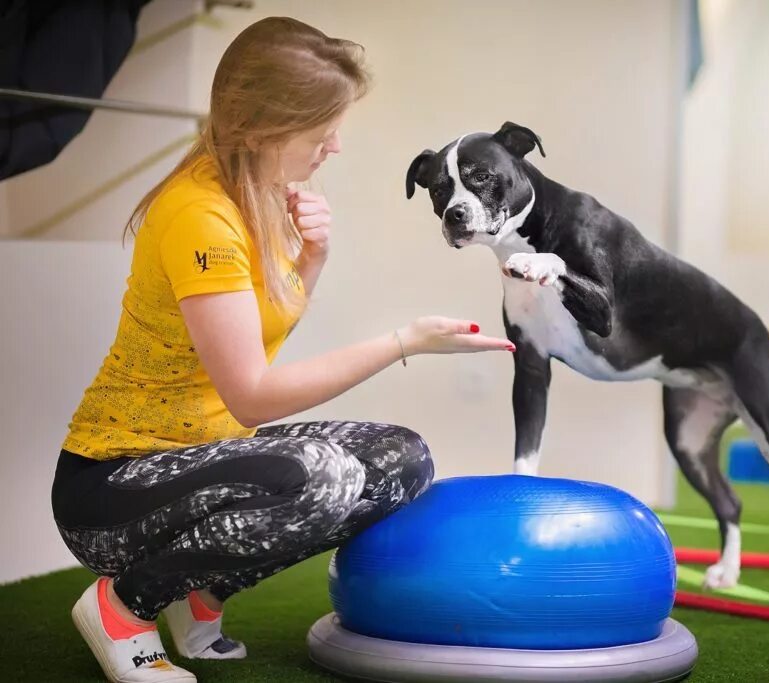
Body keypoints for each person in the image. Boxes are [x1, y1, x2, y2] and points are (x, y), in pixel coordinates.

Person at [51, 17, 514, 683]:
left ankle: (198, 596)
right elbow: (252, 393)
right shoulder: (199, 214)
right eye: (323, 127)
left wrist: (311, 259)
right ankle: (123, 607)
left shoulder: (258, 196)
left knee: (402, 459)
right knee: (320, 475)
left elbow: (255, 333)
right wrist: (403, 342)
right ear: (266, 124)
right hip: (111, 486)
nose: (334, 145)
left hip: (195, 462)